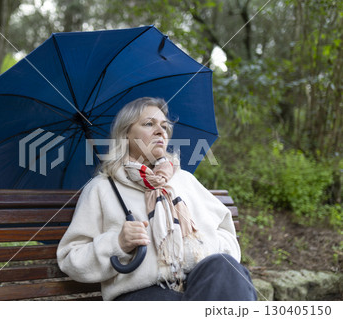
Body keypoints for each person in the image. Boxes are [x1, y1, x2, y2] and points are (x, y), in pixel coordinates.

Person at [57, 97, 257, 301]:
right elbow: (71, 259)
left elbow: (226, 235)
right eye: (149, 124)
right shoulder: (102, 188)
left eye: (164, 126)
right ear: (126, 134)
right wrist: (118, 243)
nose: (161, 131)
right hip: (140, 295)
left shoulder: (184, 180)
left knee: (226, 269)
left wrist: (204, 244)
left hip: (198, 285)